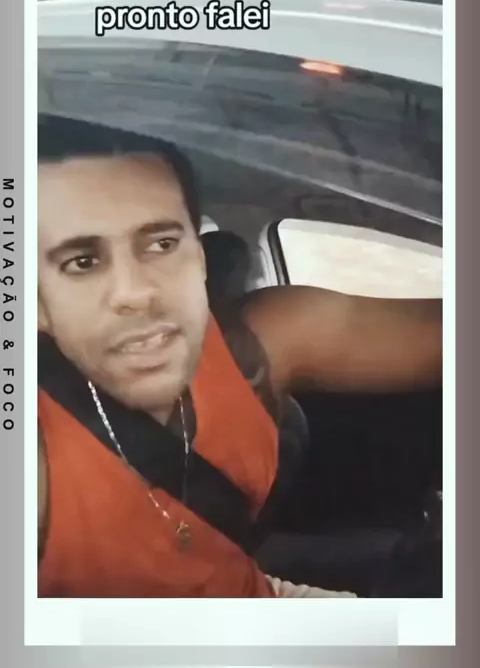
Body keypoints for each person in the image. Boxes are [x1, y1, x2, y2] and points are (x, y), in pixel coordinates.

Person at [37, 115, 442, 598]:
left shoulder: (256, 344)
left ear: (200, 257)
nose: (136, 292)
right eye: (82, 262)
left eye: (162, 244)